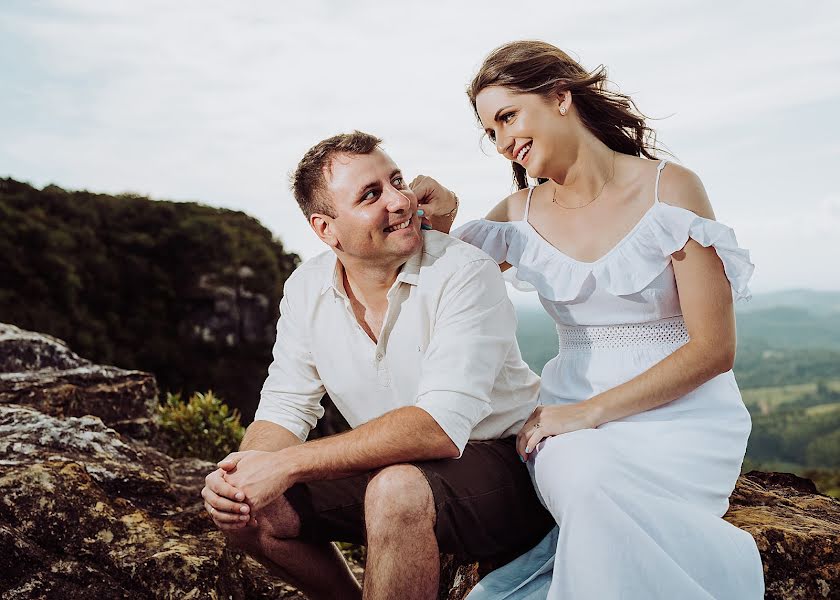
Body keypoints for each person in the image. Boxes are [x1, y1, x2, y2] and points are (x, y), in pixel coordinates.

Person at [412, 40, 765, 599]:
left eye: (508, 117)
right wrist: (448, 214)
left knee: (598, 489)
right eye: (490, 132)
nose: (503, 142)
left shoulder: (668, 188)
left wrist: (586, 413)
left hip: (684, 418)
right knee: (586, 477)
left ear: (559, 96)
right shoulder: (516, 214)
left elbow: (714, 349)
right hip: (567, 425)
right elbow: (436, 285)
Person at [200, 131, 555, 600]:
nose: (400, 201)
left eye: (397, 181)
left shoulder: (464, 271)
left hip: (505, 467)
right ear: (326, 229)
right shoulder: (305, 287)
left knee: (395, 490)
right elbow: (285, 406)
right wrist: (244, 471)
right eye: (371, 195)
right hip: (396, 468)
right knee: (247, 505)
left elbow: (439, 428)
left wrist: (286, 465)